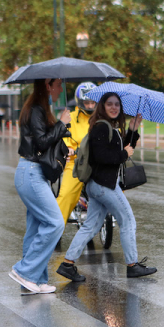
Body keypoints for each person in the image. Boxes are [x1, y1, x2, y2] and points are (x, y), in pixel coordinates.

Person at [56, 92, 157, 282]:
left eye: (117, 105)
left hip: (96, 185)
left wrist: (133, 130)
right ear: (102, 107)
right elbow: (103, 157)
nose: (114, 107)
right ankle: (132, 265)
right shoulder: (101, 128)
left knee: (91, 226)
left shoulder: (109, 127)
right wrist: (124, 155)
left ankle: (67, 264)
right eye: (109, 104)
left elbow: (124, 147)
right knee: (128, 221)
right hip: (104, 185)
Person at [10, 78, 72, 294]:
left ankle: (34, 280)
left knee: (36, 228)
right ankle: (25, 271)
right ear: (47, 85)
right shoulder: (36, 109)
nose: (60, 89)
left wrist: (64, 139)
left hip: (31, 172)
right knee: (55, 222)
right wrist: (61, 124)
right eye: (58, 85)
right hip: (31, 173)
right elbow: (42, 142)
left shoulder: (38, 109)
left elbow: (46, 141)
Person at [56, 82, 97, 225]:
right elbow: (64, 137)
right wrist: (69, 149)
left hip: (99, 161)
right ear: (80, 102)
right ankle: (55, 227)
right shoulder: (71, 117)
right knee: (66, 195)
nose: (91, 106)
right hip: (76, 162)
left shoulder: (102, 117)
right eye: (87, 102)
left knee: (116, 187)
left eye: (93, 102)